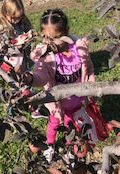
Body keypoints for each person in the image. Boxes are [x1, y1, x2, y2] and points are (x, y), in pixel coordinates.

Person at [23, 9, 97, 162]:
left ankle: (70, 148)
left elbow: (88, 68)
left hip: (77, 100)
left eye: (56, 37)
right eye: (48, 38)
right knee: (54, 124)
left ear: (66, 32)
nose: (53, 43)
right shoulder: (47, 56)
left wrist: (91, 88)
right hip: (57, 104)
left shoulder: (79, 49)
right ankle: (50, 145)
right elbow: (41, 77)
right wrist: (30, 79)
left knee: (71, 127)